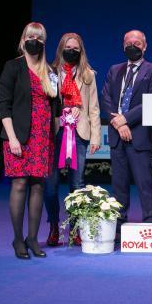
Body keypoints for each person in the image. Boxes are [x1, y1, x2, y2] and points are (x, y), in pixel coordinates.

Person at [0, 22, 58, 259]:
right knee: (20, 184)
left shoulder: (50, 71)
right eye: (31, 36)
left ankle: (33, 238)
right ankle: (17, 239)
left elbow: (55, 107)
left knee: (38, 186)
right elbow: (3, 104)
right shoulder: (13, 67)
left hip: (43, 138)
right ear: (23, 39)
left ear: (43, 42)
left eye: (39, 37)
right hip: (18, 137)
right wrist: (12, 137)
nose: (35, 40)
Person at [101, 30, 152, 240]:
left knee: (144, 182)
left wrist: (125, 119)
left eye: (137, 43)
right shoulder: (114, 70)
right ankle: (118, 225)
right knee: (119, 184)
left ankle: (151, 223)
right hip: (117, 135)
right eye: (128, 42)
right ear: (123, 46)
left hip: (141, 136)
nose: (132, 46)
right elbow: (106, 99)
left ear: (145, 46)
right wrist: (118, 124)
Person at [44, 33, 101, 246]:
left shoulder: (88, 74)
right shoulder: (50, 73)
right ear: (61, 49)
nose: (71, 51)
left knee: (77, 184)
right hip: (55, 132)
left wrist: (96, 136)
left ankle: (75, 228)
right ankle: (53, 227)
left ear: (81, 50)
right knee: (50, 185)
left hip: (80, 133)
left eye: (75, 48)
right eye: (68, 47)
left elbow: (94, 108)